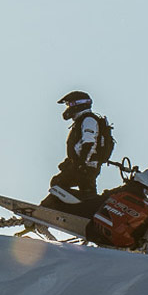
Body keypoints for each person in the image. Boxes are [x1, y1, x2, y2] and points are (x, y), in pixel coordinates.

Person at [41, 90, 113, 218]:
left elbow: (89, 142)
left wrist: (80, 164)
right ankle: (84, 216)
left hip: (85, 166)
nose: (68, 109)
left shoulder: (88, 120)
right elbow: (81, 146)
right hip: (87, 165)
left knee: (58, 183)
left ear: (77, 105)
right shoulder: (83, 120)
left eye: (69, 105)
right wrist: (70, 161)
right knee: (87, 194)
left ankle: (45, 213)